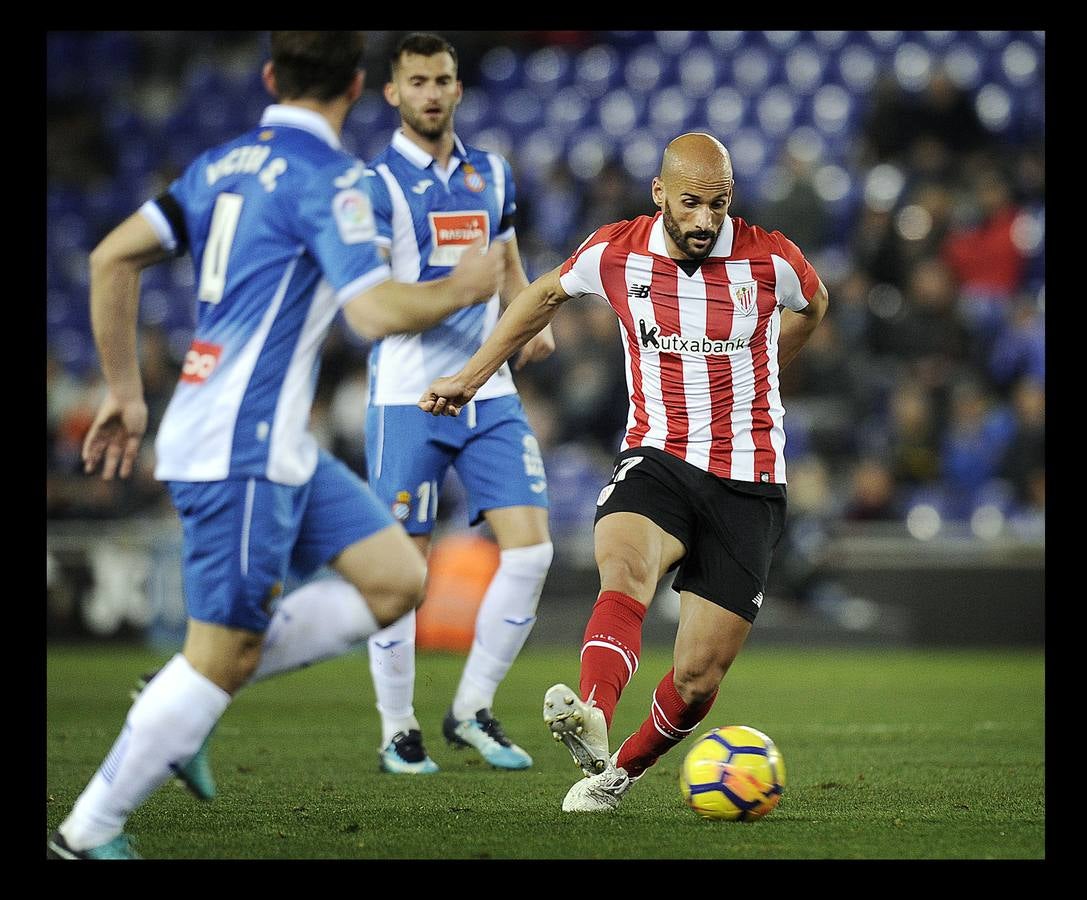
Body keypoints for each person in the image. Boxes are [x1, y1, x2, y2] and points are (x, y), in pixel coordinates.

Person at [48, 31, 504, 859]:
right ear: (360, 86)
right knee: (225, 648)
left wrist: (122, 390)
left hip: (261, 434)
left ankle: (190, 690)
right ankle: (89, 830)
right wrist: (463, 288)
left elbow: (113, 256)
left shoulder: (220, 164)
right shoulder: (330, 181)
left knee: (397, 578)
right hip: (240, 446)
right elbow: (371, 314)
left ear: (269, 76)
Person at [420, 132, 829, 812]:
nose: (703, 220)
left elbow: (815, 306)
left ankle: (616, 777)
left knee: (697, 678)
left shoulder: (769, 257)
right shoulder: (617, 249)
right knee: (624, 567)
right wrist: (470, 376)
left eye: (718, 205)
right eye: (691, 203)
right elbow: (544, 294)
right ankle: (592, 712)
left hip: (746, 477)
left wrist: (770, 364)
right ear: (659, 193)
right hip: (657, 455)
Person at [359, 33, 555, 774]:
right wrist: (459, 293)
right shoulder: (372, 185)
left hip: (487, 386)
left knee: (532, 551)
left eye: (442, 79)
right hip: (407, 397)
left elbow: (505, 260)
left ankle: (470, 708)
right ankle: (395, 727)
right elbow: (371, 301)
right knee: (402, 574)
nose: (432, 93)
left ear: (459, 88)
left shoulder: (491, 173)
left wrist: (521, 318)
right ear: (393, 93)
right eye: (417, 82)